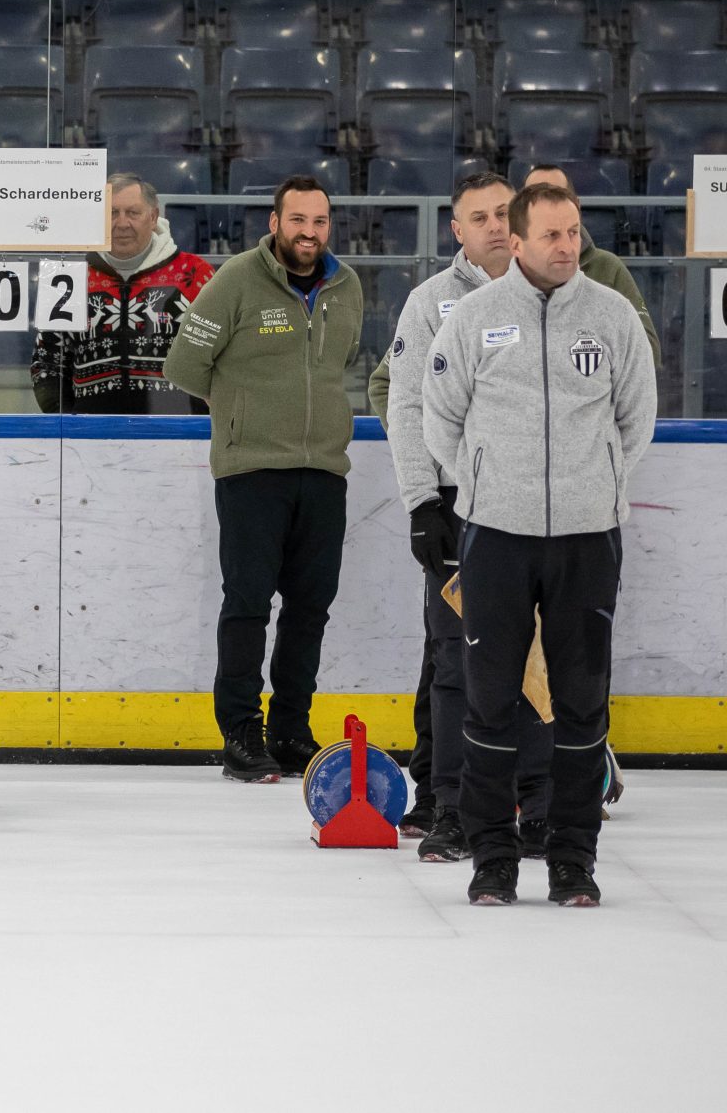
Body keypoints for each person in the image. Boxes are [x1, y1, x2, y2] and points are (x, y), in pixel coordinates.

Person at [422, 181, 656, 906]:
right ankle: (493, 857)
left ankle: (572, 858)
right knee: (490, 703)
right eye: (552, 234)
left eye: (574, 231)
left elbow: (636, 418)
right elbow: (441, 418)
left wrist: (597, 484)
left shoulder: (612, 316)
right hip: (496, 537)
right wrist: (486, 486)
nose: (567, 246)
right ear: (517, 241)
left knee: (581, 706)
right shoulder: (475, 318)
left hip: (587, 540)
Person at [372, 171, 551, 862]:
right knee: (456, 660)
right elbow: (406, 405)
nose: (496, 226)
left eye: (505, 212)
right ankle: (450, 806)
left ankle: (537, 805)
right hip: (460, 507)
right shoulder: (430, 303)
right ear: (457, 230)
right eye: (480, 217)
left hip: (541, 505)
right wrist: (422, 501)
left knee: (540, 660)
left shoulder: (559, 294)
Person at [162, 175, 365, 784]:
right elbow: (184, 365)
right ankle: (242, 733)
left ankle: (291, 730)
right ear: (275, 223)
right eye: (297, 220)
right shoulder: (236, 279)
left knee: (310, 608)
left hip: (323, 470)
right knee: (248, 604)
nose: (309, 232)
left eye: (319, 221)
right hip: (251, 470)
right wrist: (241, 409)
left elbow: (341, 361)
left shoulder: (347, 286)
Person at [29, 172, 215, 413]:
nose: (122, 223)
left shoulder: (197, 274)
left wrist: (200, 421)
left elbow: (219, 356)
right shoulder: (67, 276)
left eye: (133, 213)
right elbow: (46, 362)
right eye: (112, 213)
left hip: (178, 431)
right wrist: (65, 422)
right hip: (89, 433)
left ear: (153, 217)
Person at [521, 163, 663, 367]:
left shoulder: (608, 268)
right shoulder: (506, 268)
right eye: (534, 198)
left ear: (576, 205)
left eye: (557, 197)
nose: (547, 208)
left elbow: (648, 351)